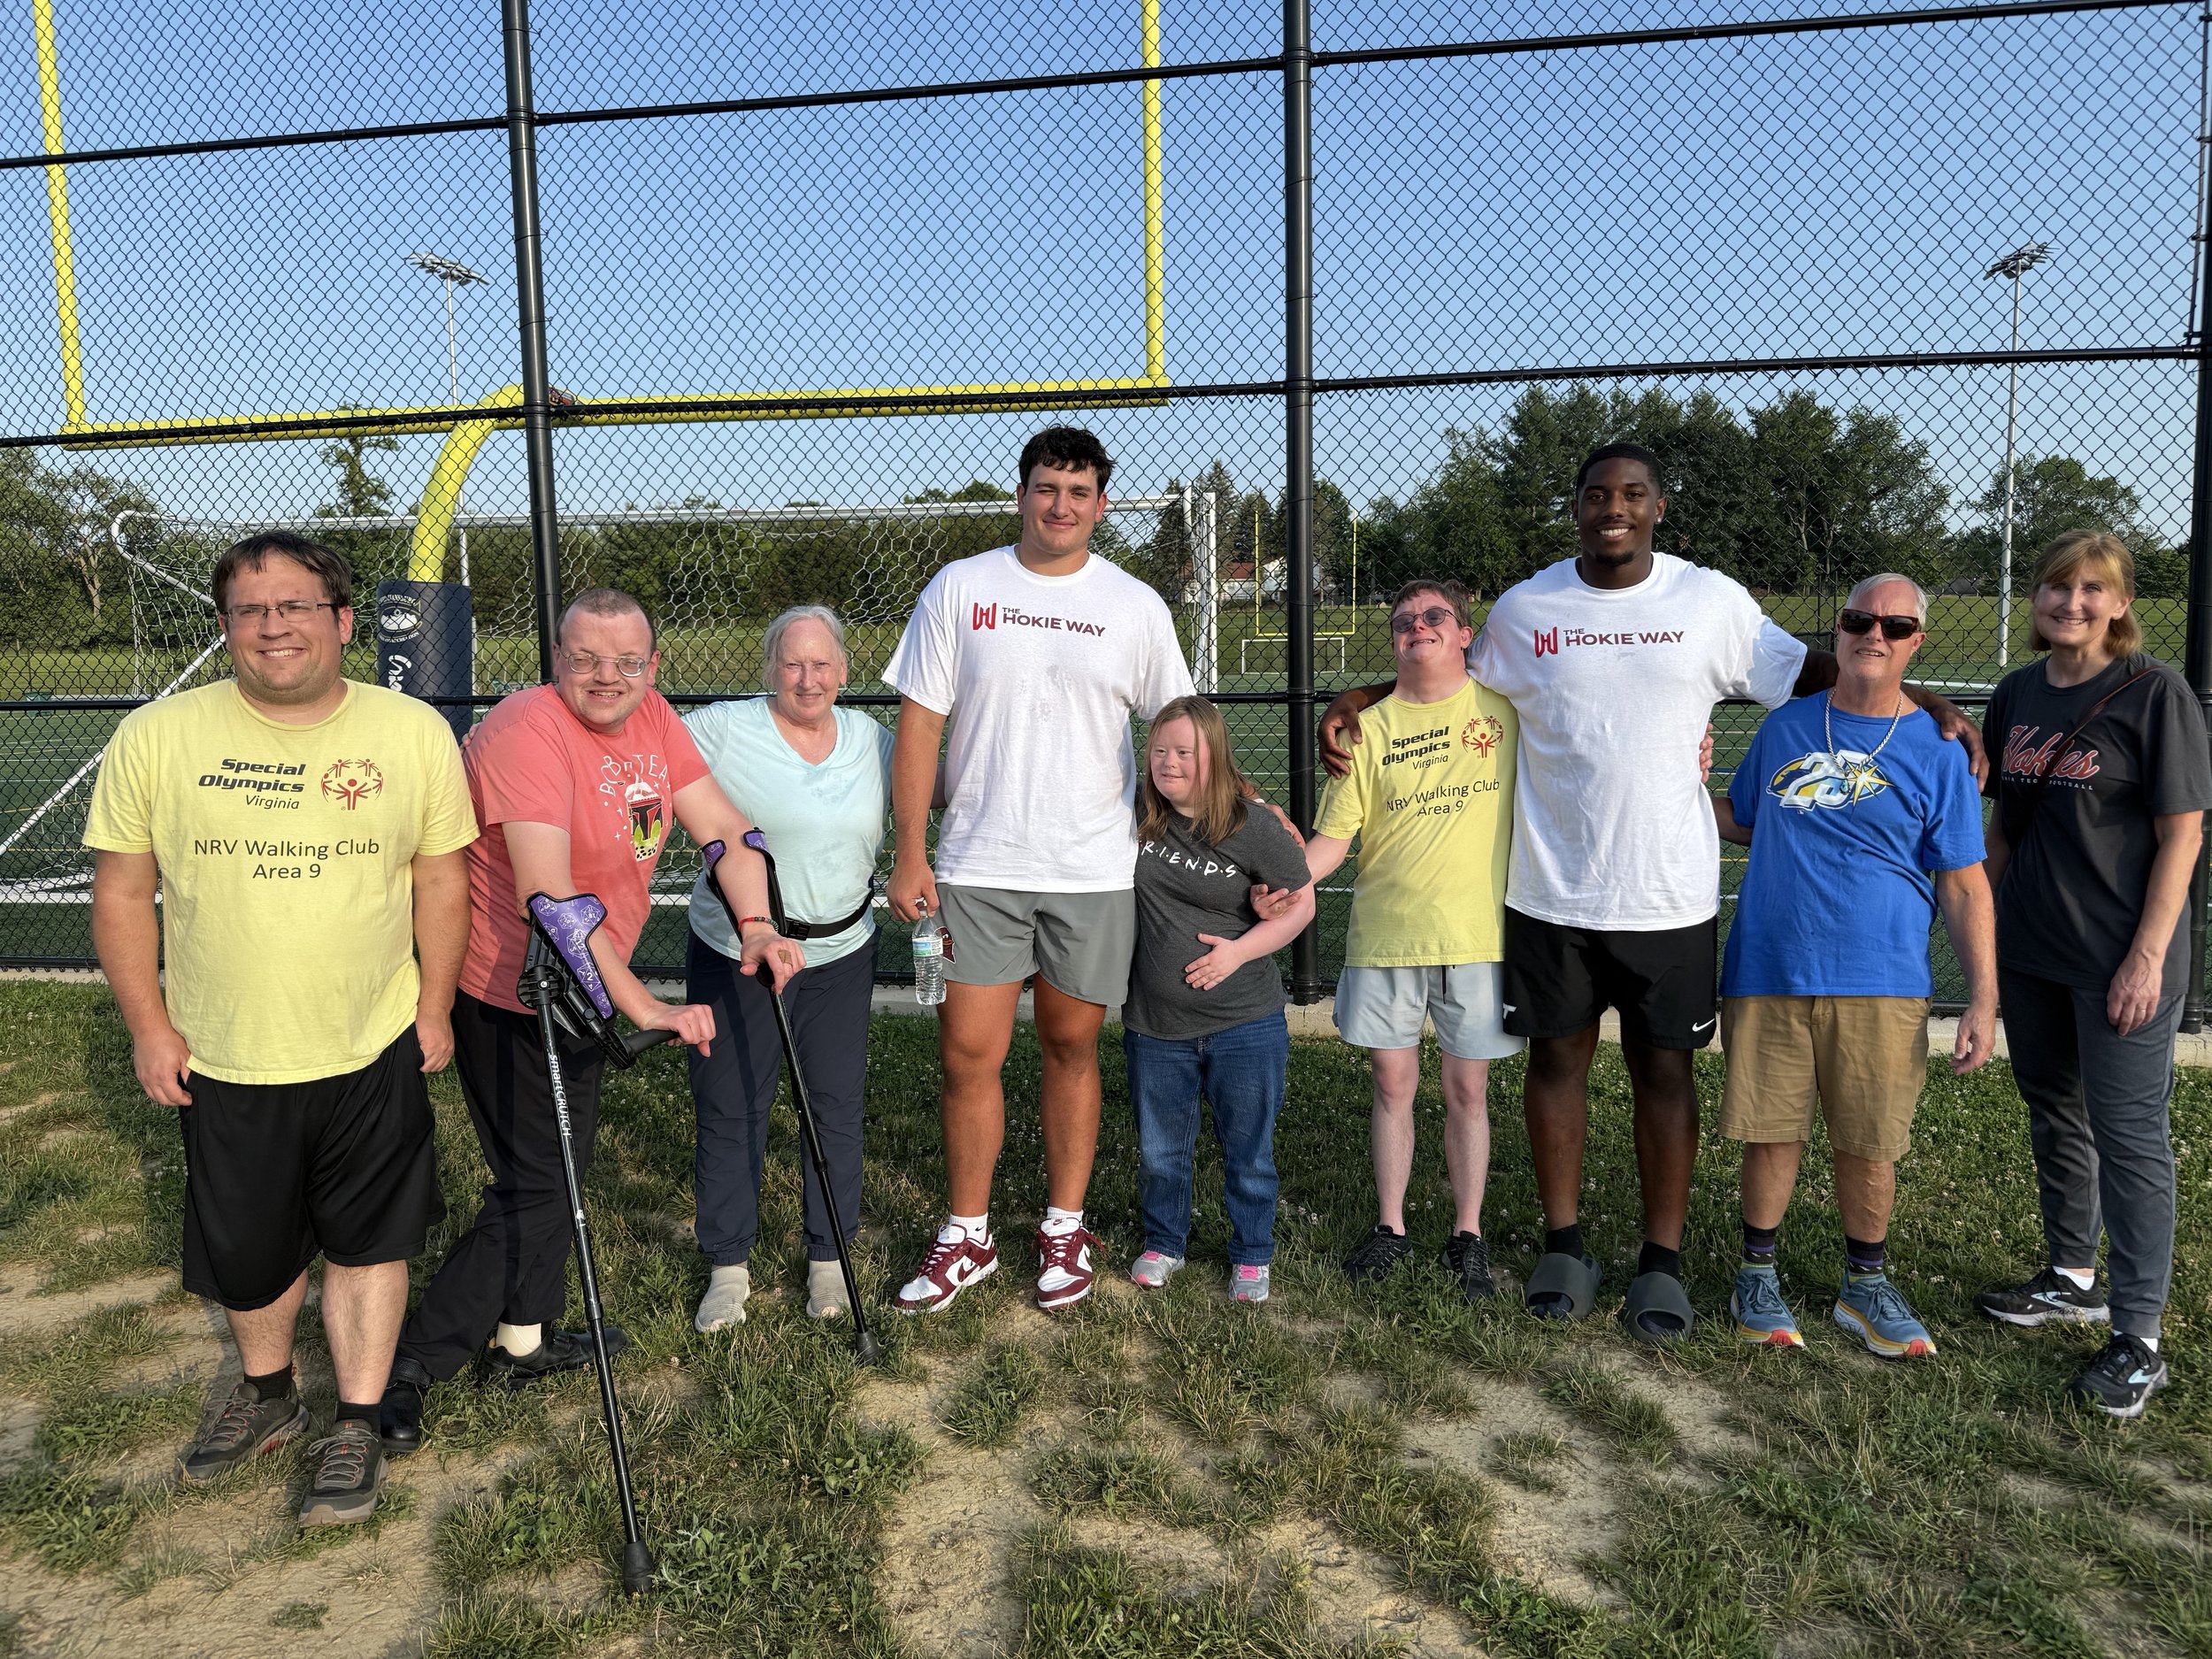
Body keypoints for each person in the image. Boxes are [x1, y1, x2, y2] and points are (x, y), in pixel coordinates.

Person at [1319, 443, 1981, 1341]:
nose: (1613, 509)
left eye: (1632, 494)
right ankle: (1563, 1242)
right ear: (1577, 508)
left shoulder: (1708, 602)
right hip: (1550, 889)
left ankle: (1660, 1262)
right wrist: (1359, 695)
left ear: (1659, 508)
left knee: (1663, 1073)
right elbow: (1445, 678)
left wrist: (1930, 701)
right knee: (1556, 1065)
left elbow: (1828, 670)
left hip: (1669, 893)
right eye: (1596, 495)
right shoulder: (1527, 607)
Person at [85, 531, 475, 1527]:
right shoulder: (158, 737)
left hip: (369, 1040)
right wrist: (148, 1025)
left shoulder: (410, 732)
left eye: (296, 605)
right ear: (225, 629)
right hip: (225, 1048)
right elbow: (125, 889)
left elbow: (441, 875)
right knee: (250, 1251)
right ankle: (265, 1396)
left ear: (343, 621)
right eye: (252, 610)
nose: (274, 626)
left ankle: (352, 1415)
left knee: (368, 1239)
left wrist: (432, 1008)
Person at [380, 588, 804, 1451]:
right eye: (585, 659)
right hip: (511, 989)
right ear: (556, 661)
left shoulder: (654, 722)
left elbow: (723, 828)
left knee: (555, 1173)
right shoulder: (523, 732)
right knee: (539, 1187)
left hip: (583, 987)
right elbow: (553, 898)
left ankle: (524, 1340)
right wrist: (641, 1003)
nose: (605, 678)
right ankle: (410, 1363)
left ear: (653, 667)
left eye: (625, 662)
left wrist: (757, 924)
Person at [884, 426, 1195, 1314]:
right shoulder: (961, 588)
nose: (1060, 506)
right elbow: (920, 728)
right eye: (1045, 488)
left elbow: (1177, 729)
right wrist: (910, 850)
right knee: (966, 1052)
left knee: (1071, 1045)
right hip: (979, 866)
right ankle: (967, 1233)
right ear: (1020, 494)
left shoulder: (1132, 605)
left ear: (1101, 504)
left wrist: (1239, 816)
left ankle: (1063, 1224)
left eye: (1078, 492)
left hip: (1092, 871)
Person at [1711, 574, 1997, 1356]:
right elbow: (1739, 818)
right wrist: (1662, 783)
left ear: (1915, 642)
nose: (1874, 633)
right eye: (1857, 619)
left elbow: (1965, 880)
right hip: (1771, 964)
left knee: (1868, 1139)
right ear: (1835, 632)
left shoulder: (1937, 750)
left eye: (1895, 625)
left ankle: (1865, 1286)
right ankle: (1757, 1275)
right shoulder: (1786, 727)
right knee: (1770, 1131)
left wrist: (1984, 996)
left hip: (1882, 975)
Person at [1972, 532, 2210, 1417]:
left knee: (2131, 1137)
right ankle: (2073, 1273)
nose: (2069, 602)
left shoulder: (2155, 694)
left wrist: (2147, 957)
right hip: (2034, 948)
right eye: (2054, 587)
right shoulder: (2016, 694)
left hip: (2120, 957)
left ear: (2117, 603)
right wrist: (1978, 929)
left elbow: (2182, 833)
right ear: (2034, 600)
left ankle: (2138, 1335)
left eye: (2090, 589)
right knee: (2053, 1112)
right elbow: (2004, 830)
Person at [1303, 580, 1520, 1301]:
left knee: (1469, 1088)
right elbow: (1332, 842)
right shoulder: (1369, 728)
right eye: (1402, 622)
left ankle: (1468, 1234)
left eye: (1434, 617)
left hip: (1477, 938)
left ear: (1466, 633)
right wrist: (1278, 877)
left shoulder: (1507, 713)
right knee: (1392, 1085)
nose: (1417, 628)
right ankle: (1391, 1227)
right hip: (1385, 938)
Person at [683, 605, 893, 1332]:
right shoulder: (721, 727)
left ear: (845, 670)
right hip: (736, 953)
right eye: (792, 663)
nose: (808, 678)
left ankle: (829, 1257)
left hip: (839, 951)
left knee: (832, 1104)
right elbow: (637, 748)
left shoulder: (872, 739)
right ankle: (728, 1265)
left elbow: (943, 782)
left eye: (822, 663)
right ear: (770, 667)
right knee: (731, 1102)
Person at [1123, 695, 1314, 1302]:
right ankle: (1164, 1241)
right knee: (1161, 1150)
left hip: (1243, 1021)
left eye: (1185, 752)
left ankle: (1253, 1253)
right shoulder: (1137, 814)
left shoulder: (1253, 825)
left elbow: (1300, 904)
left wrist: (1238, 951)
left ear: (1216, 756)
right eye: (1159, 751)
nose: (1168, 763)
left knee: (1249, 1150)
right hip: (1156, 1024)